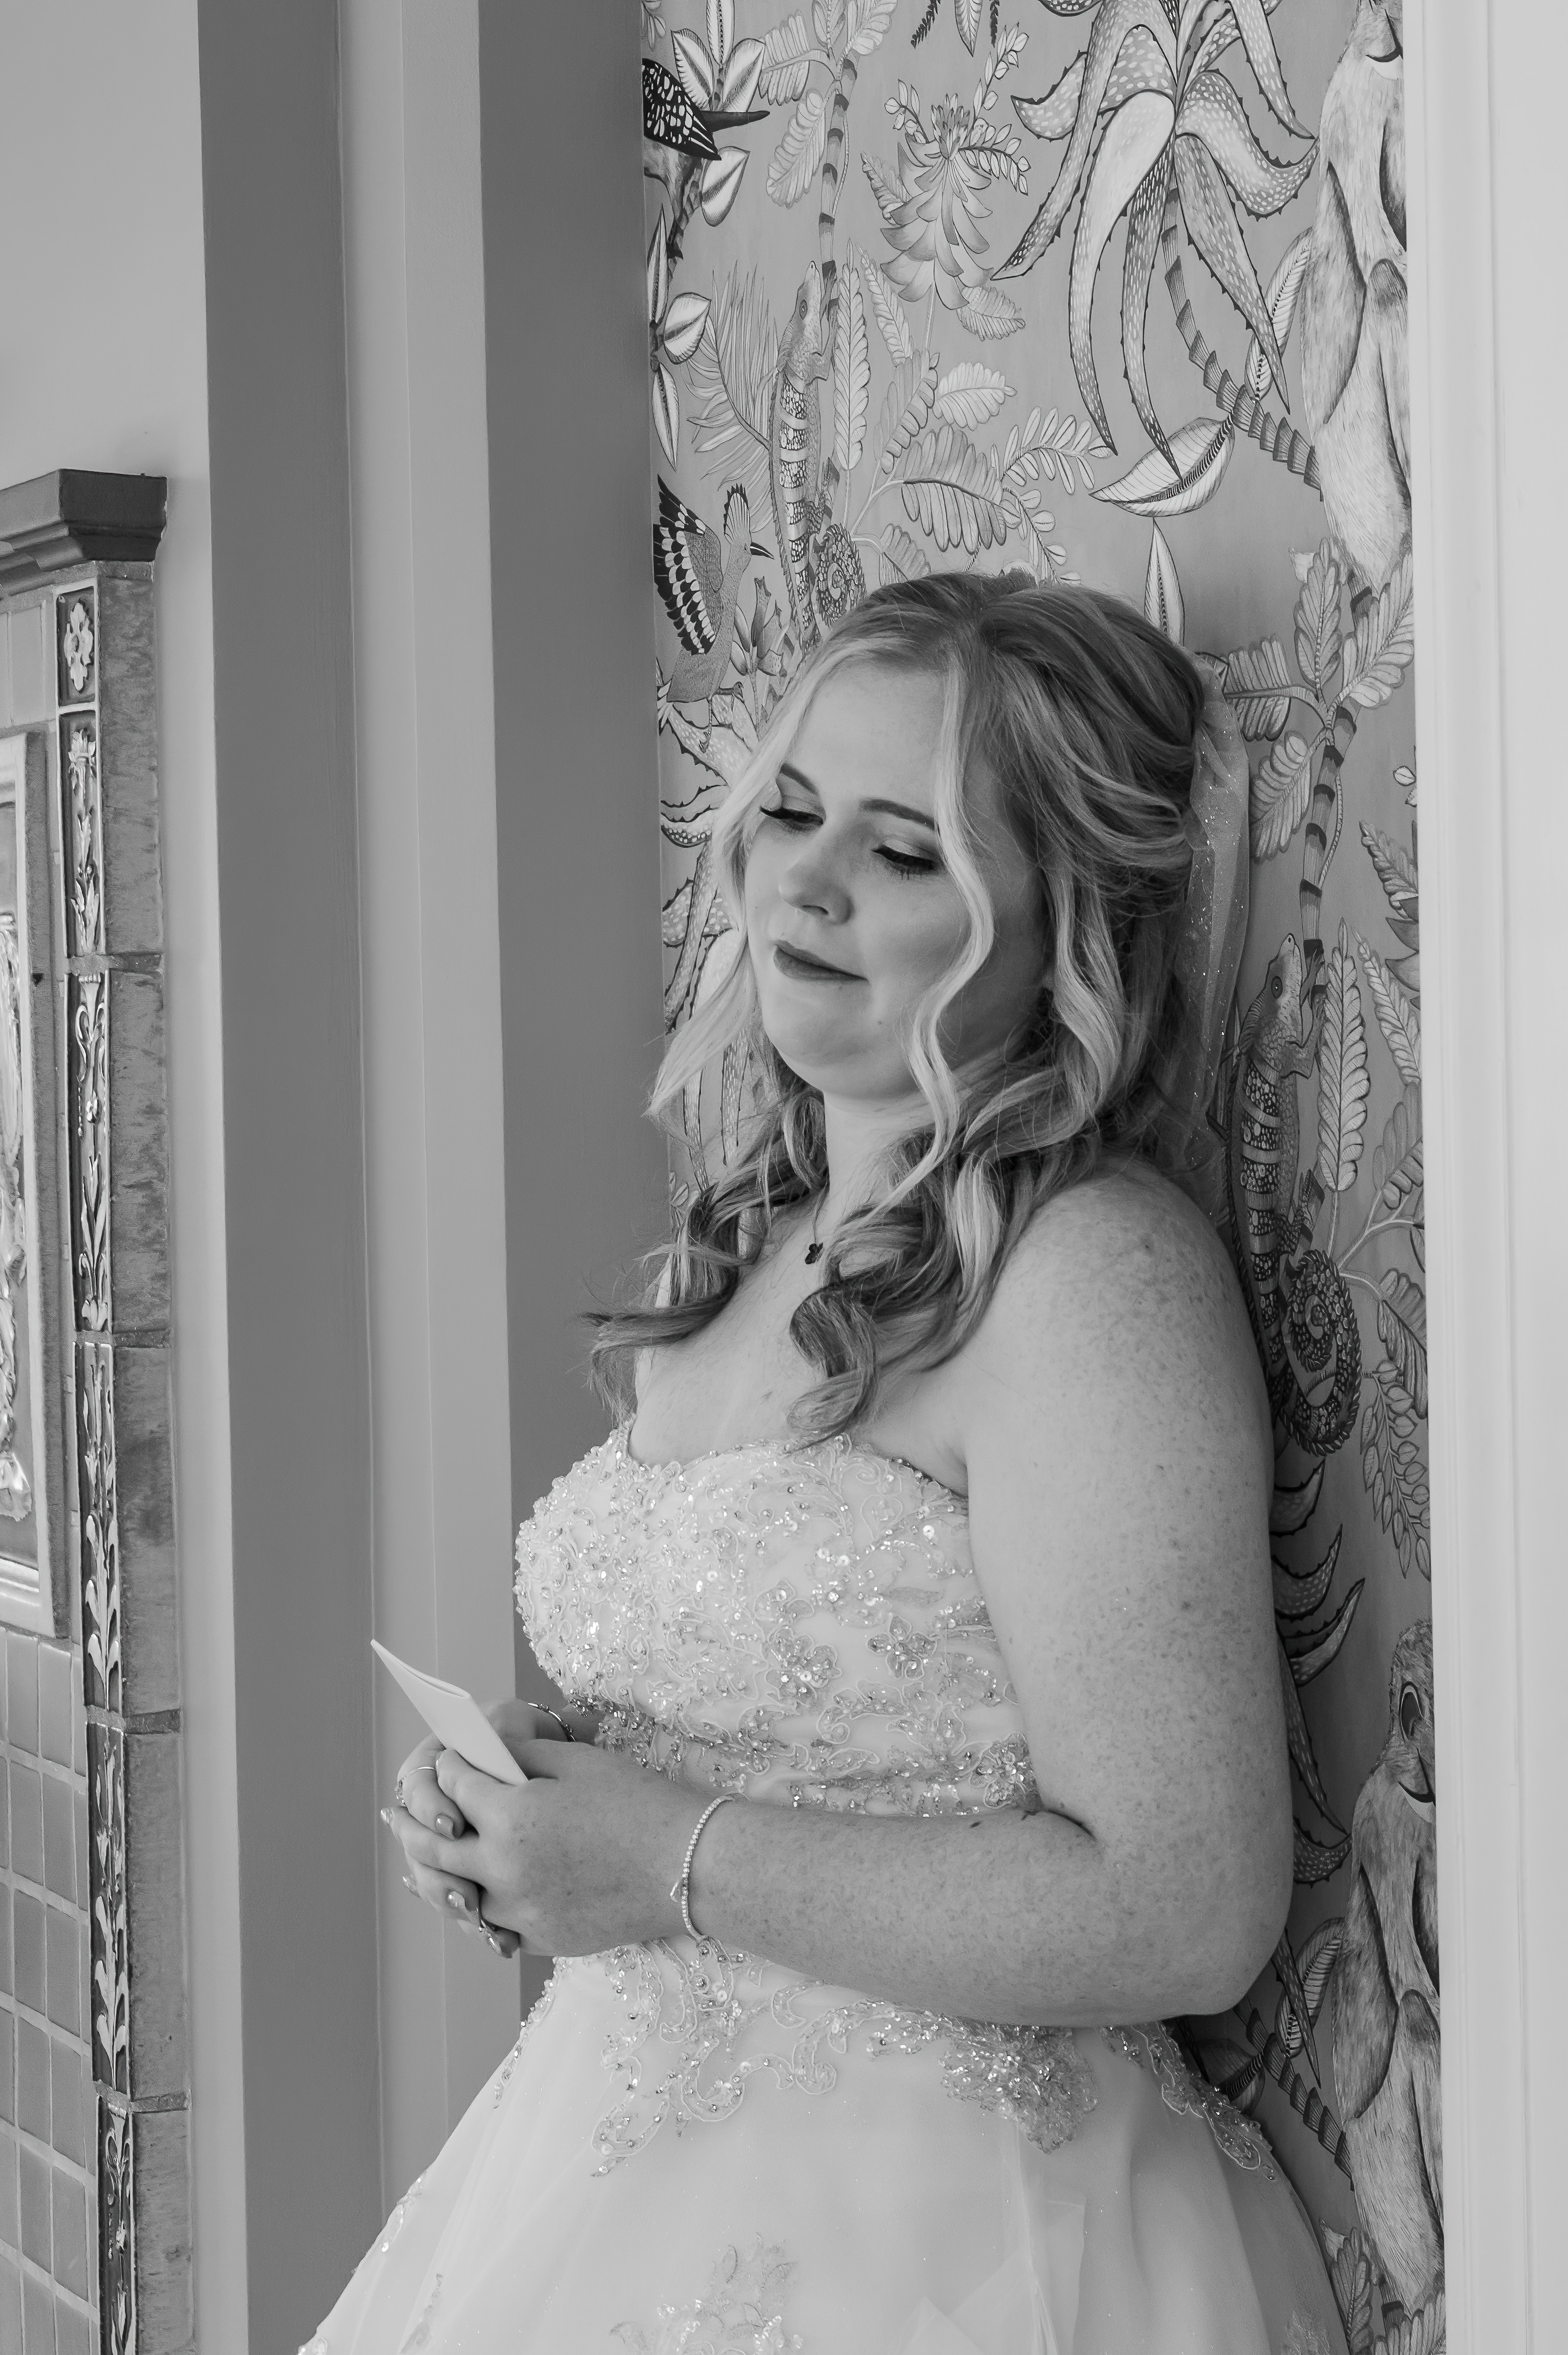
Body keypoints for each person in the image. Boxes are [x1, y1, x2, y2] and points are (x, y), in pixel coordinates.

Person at [315, 575, 1346, 2352]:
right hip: (605, 2182)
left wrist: (667, 1862)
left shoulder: (1092, 1281)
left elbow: (1189, 1905)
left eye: (907, 851)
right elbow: (769, 1745)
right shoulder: (736, 1251)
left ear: (1064, 923)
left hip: (966, 2243)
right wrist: (539, 1811)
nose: (806, 885)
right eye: (791, 813)